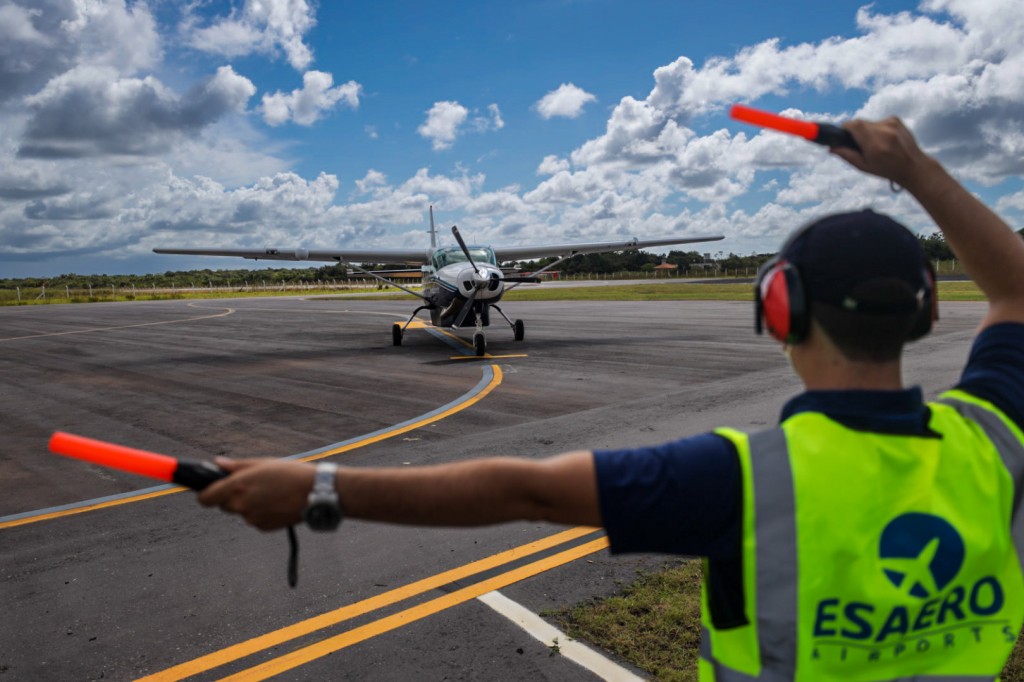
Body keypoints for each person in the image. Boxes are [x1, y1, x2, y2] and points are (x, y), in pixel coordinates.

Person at [198, 117, 1024, 680]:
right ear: (927, 310)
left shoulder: (741, 477)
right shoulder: (992, 444)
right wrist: (916, 170)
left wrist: (319, 485)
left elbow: (522, 488)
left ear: (781, 312)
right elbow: (1016, 297)